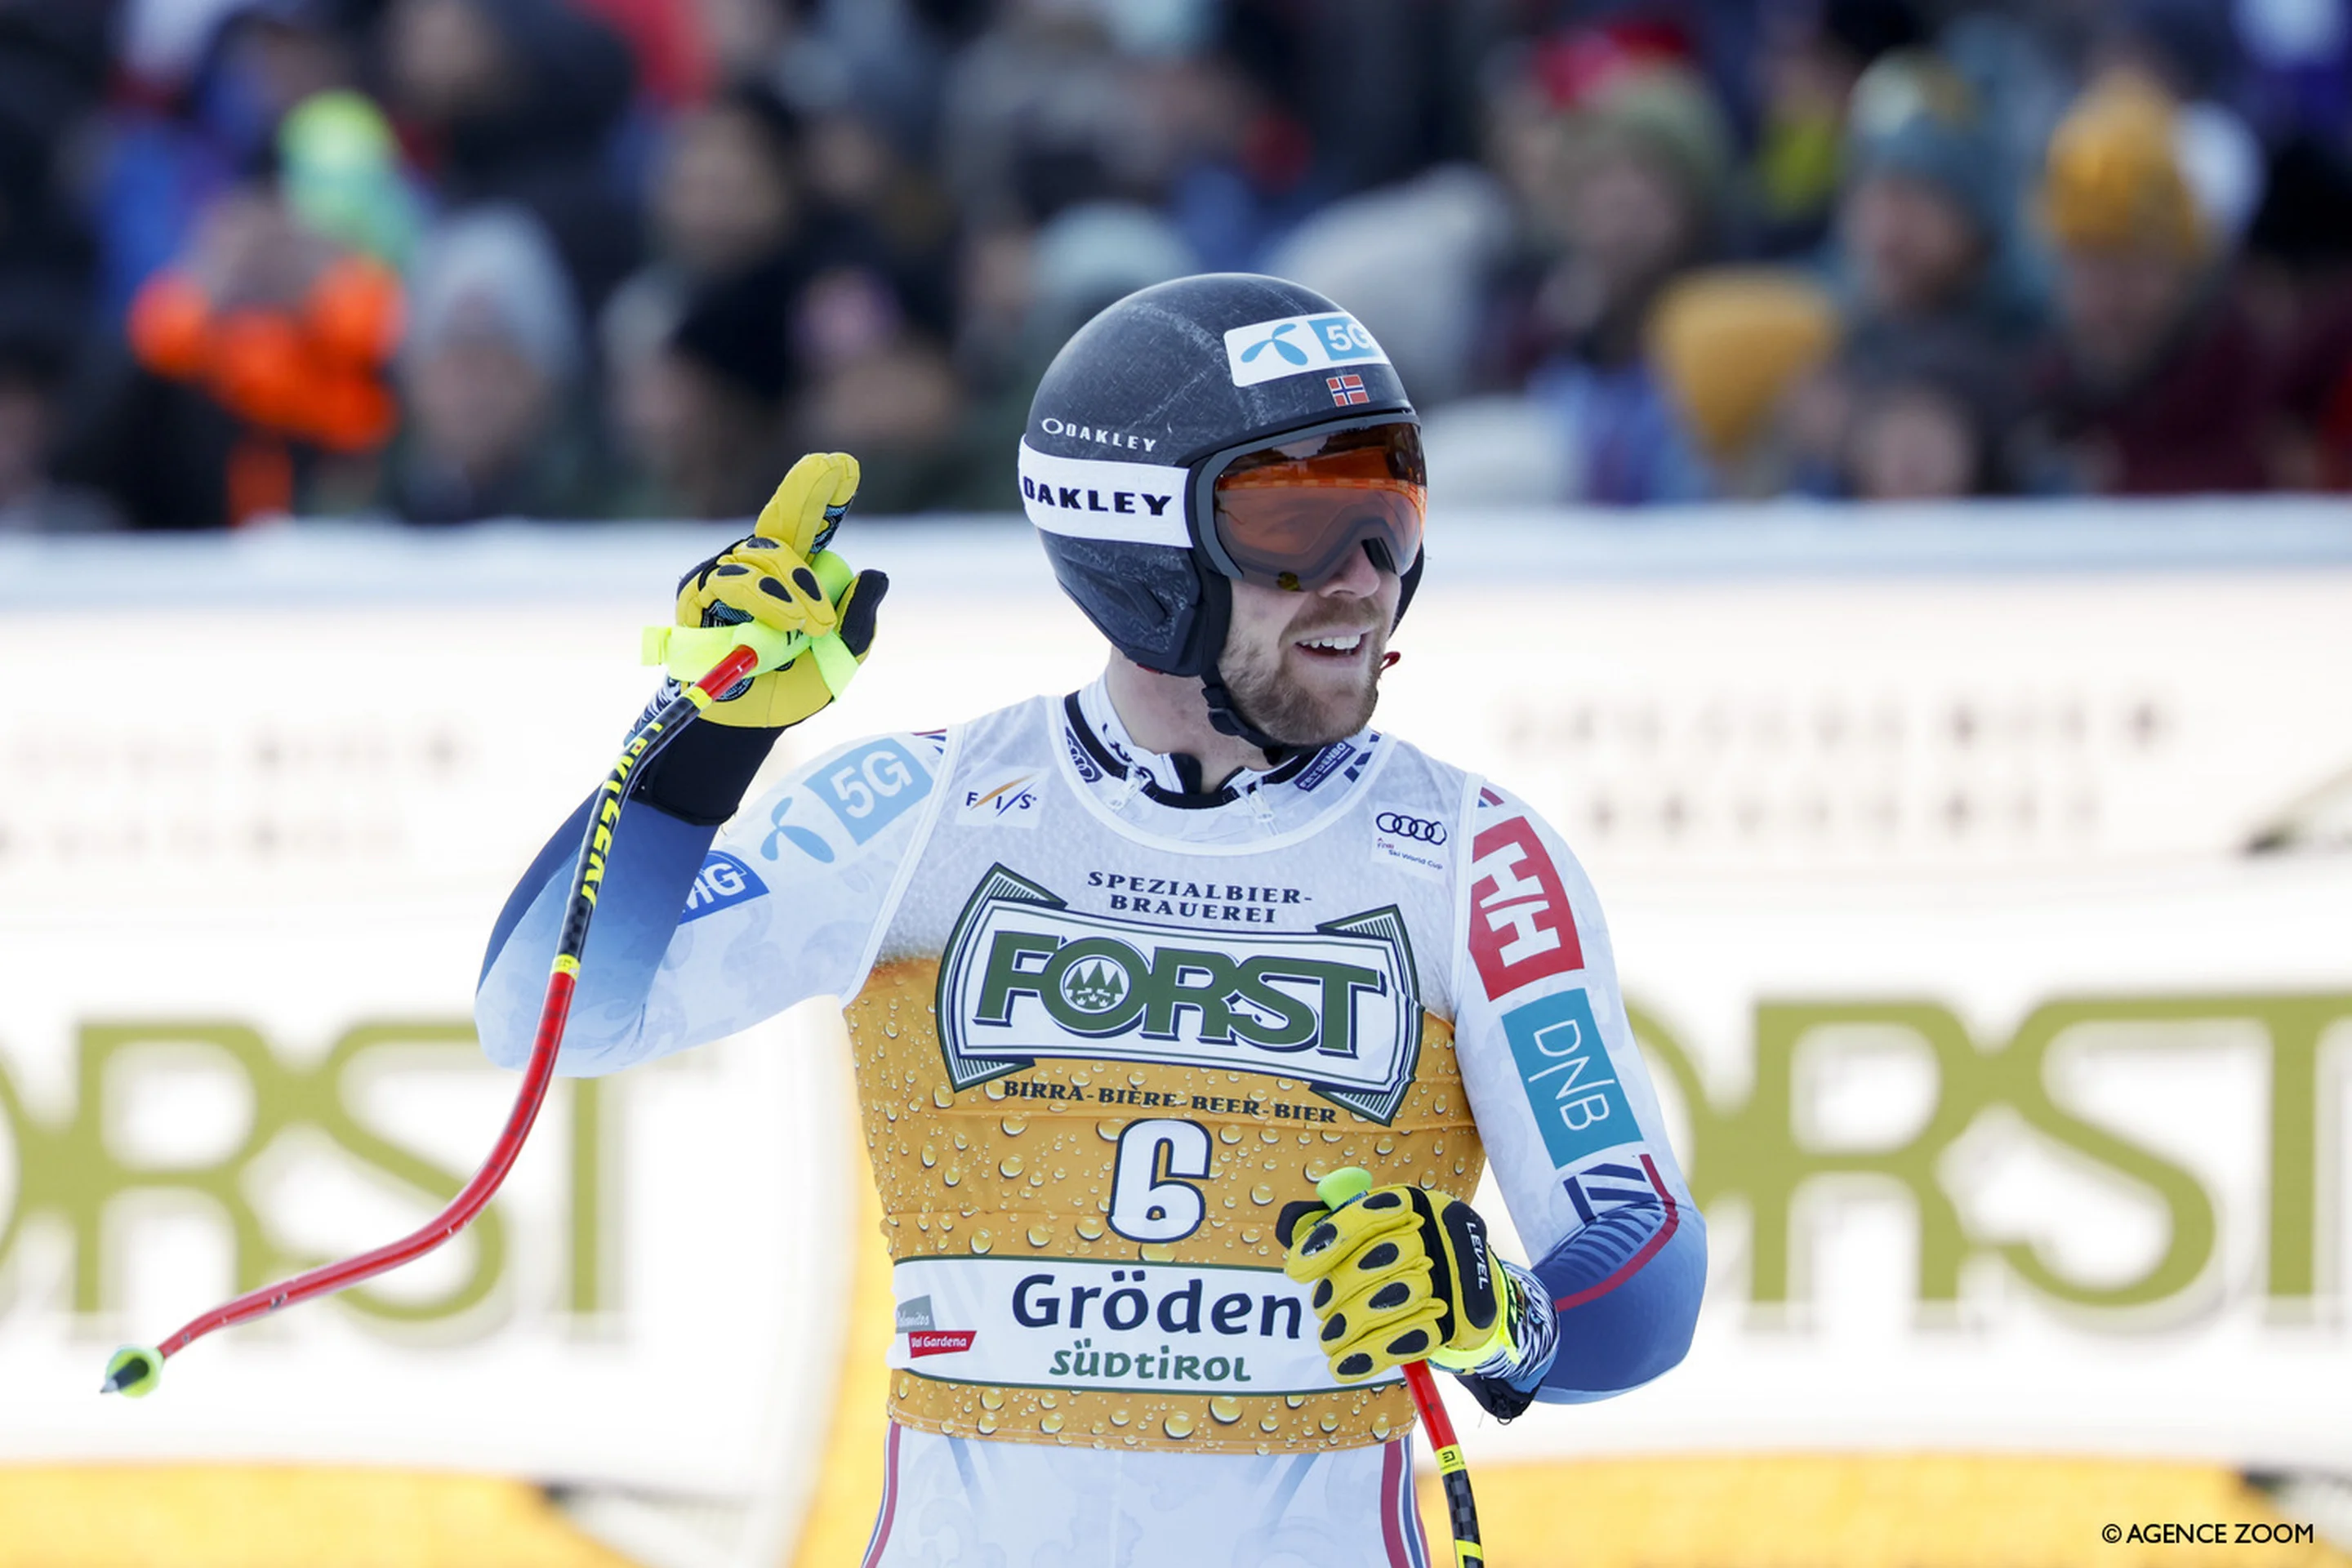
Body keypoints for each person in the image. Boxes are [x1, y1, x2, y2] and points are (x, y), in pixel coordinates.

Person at [474, 274, 1704, 1564]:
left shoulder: (1479, 858)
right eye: (1296, 523)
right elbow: (544, 1017)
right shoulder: (921, 804)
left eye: (1390, 514)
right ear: (1142, 549)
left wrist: (1500, 1317)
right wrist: (701, 734)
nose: (1363, 579)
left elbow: (1648, 1267)